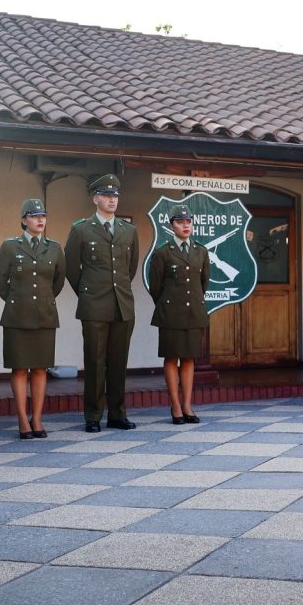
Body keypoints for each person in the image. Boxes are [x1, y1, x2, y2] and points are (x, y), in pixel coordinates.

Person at [65, 174, 139, 433]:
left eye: (115, 196)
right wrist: (89, 293)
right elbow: (72, 270)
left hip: (122, 305)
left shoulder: (128, 230)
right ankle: (93, 416)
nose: (112, 200)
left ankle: (117, 414)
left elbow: (130, 268)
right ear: (96, 199)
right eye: (107, 196)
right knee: (95, 362)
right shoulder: (81, 229)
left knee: (118, 363)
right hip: (94, 305)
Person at [0, 199, 66, 439]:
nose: (40, 220)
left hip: (44, 315)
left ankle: (37, 418)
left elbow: (57, 281)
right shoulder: (10, 247)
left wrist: (40, 301)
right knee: (19, 369)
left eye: (43, 215)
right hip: (17, 316)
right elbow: (0, 283)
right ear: (24, 220)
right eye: (34, 216)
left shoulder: (54, 248)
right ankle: (23, 419)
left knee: (40, 369)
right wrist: (20, 300)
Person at [147, 204, 210, 424]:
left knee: (189, 359)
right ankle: (175, 406)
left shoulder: (201, 251)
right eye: (180, 222)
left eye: (188, 222)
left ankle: (187, 406)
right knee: (172, 358)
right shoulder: (163, 252)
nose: (185, 225)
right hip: (170, 313)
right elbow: (155, 286)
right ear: (171, 225)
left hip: (194, 312)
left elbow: (204, 283)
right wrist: (168, 305)